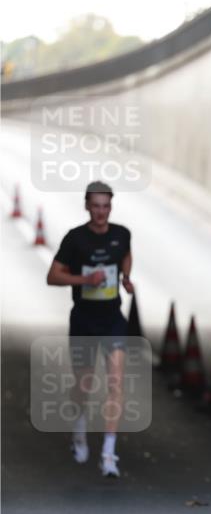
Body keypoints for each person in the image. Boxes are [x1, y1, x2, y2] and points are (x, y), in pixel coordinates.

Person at [46, 181, 133, 477]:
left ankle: (109, 453)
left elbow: (125, 255)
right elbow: (53, 276)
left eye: (105, 207)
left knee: (115, 384)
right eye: (95, 206)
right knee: (83, 386)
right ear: (87, 206)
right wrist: (86, 281)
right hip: (84, 319)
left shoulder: (121, 234)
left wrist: (126, 278)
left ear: (111, 207)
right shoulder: (75, 239)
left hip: (112, 320)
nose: (101, 213)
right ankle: (79, 431)